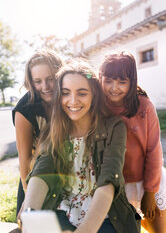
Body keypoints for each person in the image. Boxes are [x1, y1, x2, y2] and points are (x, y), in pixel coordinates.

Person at [21, 61, 141, 233]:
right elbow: (42, 169)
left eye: (82, 93)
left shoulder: (114, 127)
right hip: (64, 211)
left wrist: (85, 230)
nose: (73, 101)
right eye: (65, 93)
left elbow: (109, 179)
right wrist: (29, 213)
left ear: (94, 95)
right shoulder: (55, 127)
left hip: (106, 214)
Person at [99, 50, 166, 233]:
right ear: (100, 79)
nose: (114, 87)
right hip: (116, 186)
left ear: (132, 81)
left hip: (147, 180)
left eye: (122, 82)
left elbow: (154, 150)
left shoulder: (144, 106)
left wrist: (150, 192)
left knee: (157, 229)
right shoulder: (97, 107)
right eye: (108, 81)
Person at [12, 49, 64, 215]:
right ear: (31, 82)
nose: (45, 87)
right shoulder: (24, 110)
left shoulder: (69, 97)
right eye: (38, 81)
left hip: (66, 175)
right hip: (35, 177)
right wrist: (30, 200)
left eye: (50, 79)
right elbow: (24, 159)